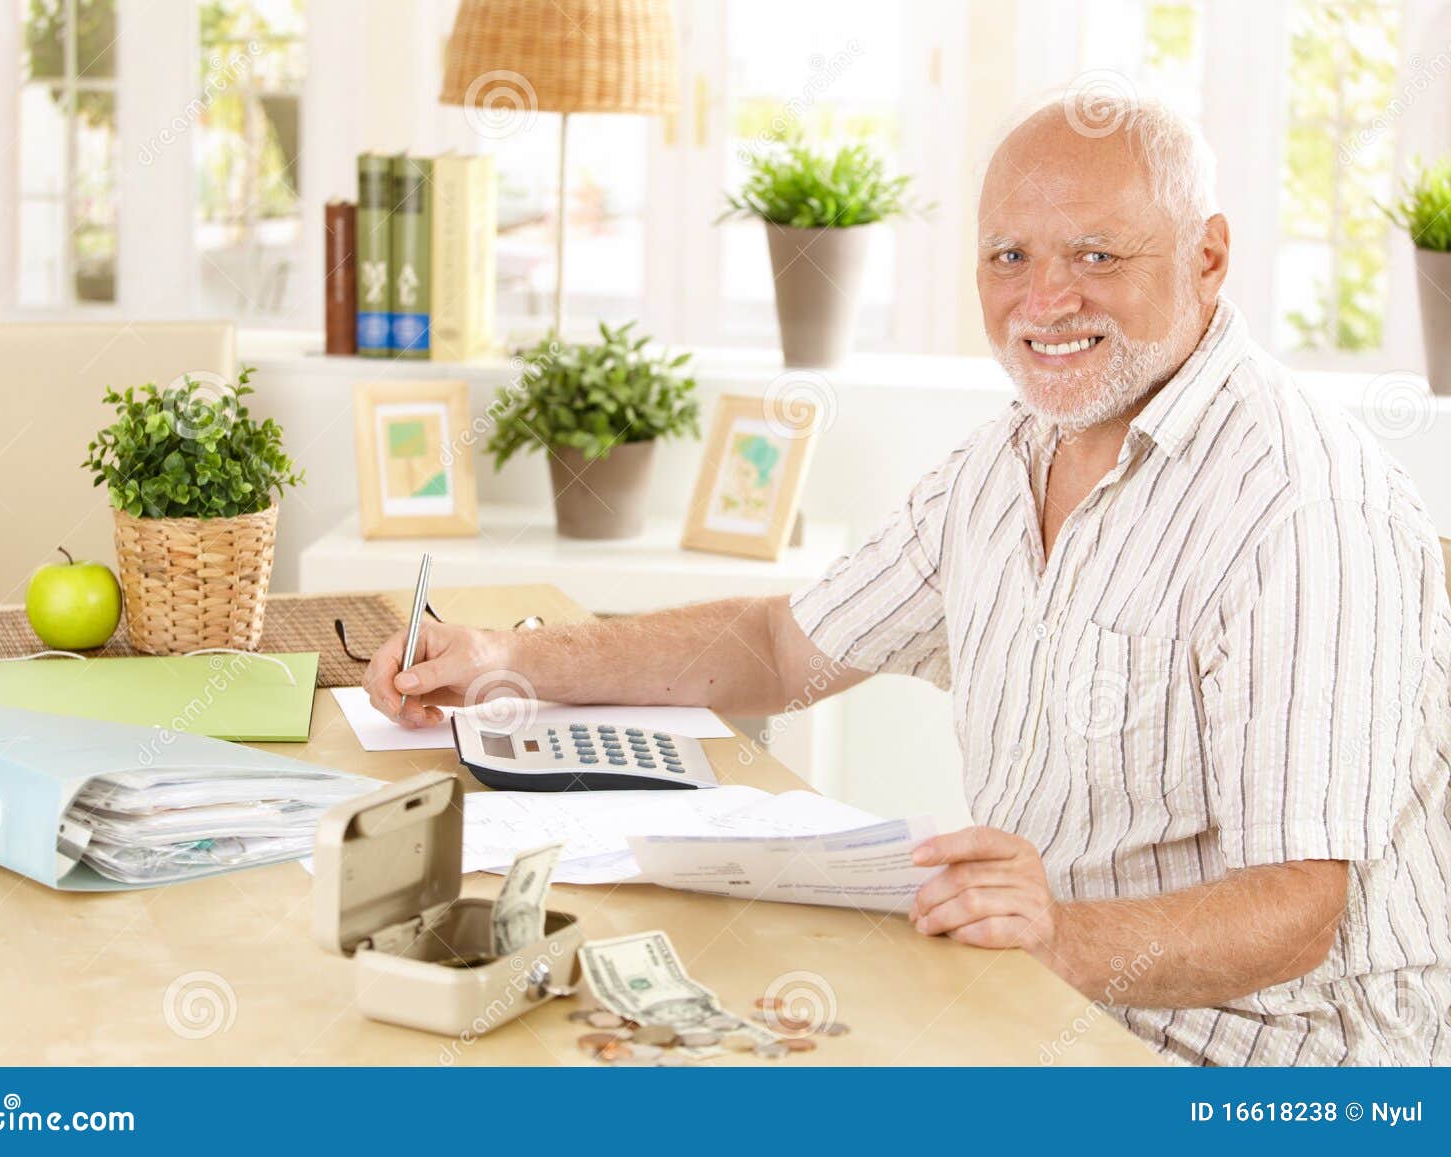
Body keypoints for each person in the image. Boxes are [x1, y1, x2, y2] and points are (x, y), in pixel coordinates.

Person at [364, 95, 1451, 1066]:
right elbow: (782, 648)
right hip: (1039, 1001)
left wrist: (1058, 936)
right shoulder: (1009, 455)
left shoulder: (1299, 506)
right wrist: (509, 659)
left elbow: (1302, 909)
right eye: (1008, 256)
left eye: (1097, 256)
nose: (1044, 300)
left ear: (1208, 257)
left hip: (1270, 1072)